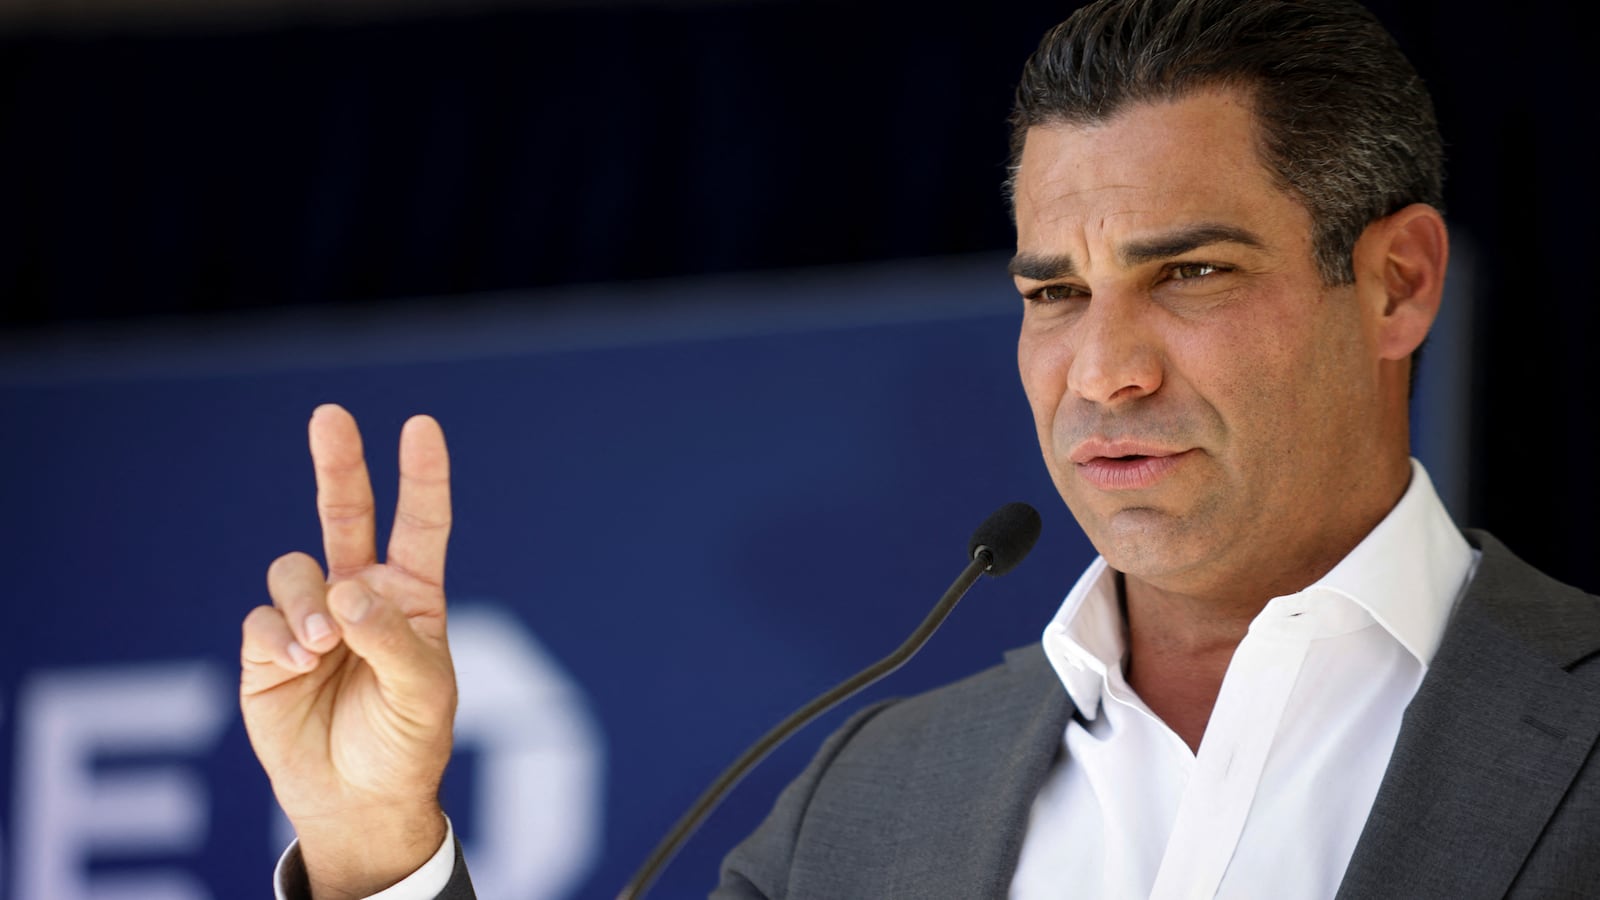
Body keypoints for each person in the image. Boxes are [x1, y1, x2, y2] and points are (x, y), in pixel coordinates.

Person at [240, 0, 1600, 897]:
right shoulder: (872, 804)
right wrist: (374, 849)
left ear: (1398, 285)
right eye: (1054, 293)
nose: (1106, 371)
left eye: (1188, 274)